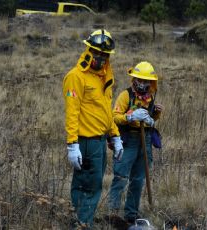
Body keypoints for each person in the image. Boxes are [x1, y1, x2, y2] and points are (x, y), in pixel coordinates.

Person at [62, 29, 124, 228]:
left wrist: (115, 136)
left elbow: (105, 110)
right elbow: (72, 112)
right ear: (88, 50)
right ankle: (83, 223)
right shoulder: (76, 77)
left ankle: (81, 221)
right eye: (97, 52)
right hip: (85, 142)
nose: (100, 57)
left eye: (104, 55)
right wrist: (72, 144)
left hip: (99, 141)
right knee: (89, 185)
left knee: (91, 184)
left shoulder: (102, 77)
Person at [108, 61, 163, 224]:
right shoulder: (126, 95)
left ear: (151, 82)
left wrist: (156, 115)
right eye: (140, 80)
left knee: (138, 179)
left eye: (146, 81)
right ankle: (113, 213)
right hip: (129, 139)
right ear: (134, 79)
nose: (143, 84)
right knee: (121, 176)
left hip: (145, 139)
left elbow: (150, 119)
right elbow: (114, 117)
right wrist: (130, 117)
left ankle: (131, 214)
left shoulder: (151, 97)